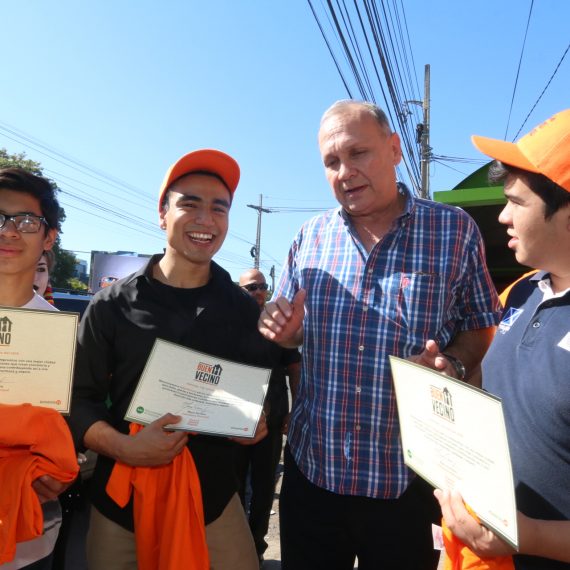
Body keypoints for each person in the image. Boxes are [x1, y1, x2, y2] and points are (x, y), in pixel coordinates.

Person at [258, 100, 501, 570]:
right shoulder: (309, 237)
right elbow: (291, 335)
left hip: (407, 484)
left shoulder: (454, 230)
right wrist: (285, 332)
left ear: (394, 149)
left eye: (358, 153)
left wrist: (454, 363)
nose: (345, 172)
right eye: (332, 161)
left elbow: (480, 322)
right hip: (314, 474)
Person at [69, 149, 280, 570]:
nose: (206, 219)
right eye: (190, 204)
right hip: (121, 502)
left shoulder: (243, 310)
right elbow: (77, 399)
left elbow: (266, 393)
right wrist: (125, 447)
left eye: (219, 208)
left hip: (213, 501)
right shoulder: (111, 305)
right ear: (162, 214)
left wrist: (258, 421)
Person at [435, 109, 570, 568]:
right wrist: (447, 376)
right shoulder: (520, 293)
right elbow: (490, 389)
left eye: (516, 201)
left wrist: (527, 536)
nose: (502, 215)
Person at [0, 167, 77, 569]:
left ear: (49, 238)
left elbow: (79, 422)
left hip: (31, 537)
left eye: (27, 221)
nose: (10, 231)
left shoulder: (64, 336)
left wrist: (65, 470)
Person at [236, 269, 301, 566]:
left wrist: (294, 410)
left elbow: (295, 369)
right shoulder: (228, 322)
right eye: (251, 287)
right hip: (232, 423)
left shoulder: (279, 327)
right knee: (232, 489)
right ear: (240, 290)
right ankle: (235, 548)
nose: (259, 291)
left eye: (262, 286)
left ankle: (256, 549)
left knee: (263, 490)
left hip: (271, 422)